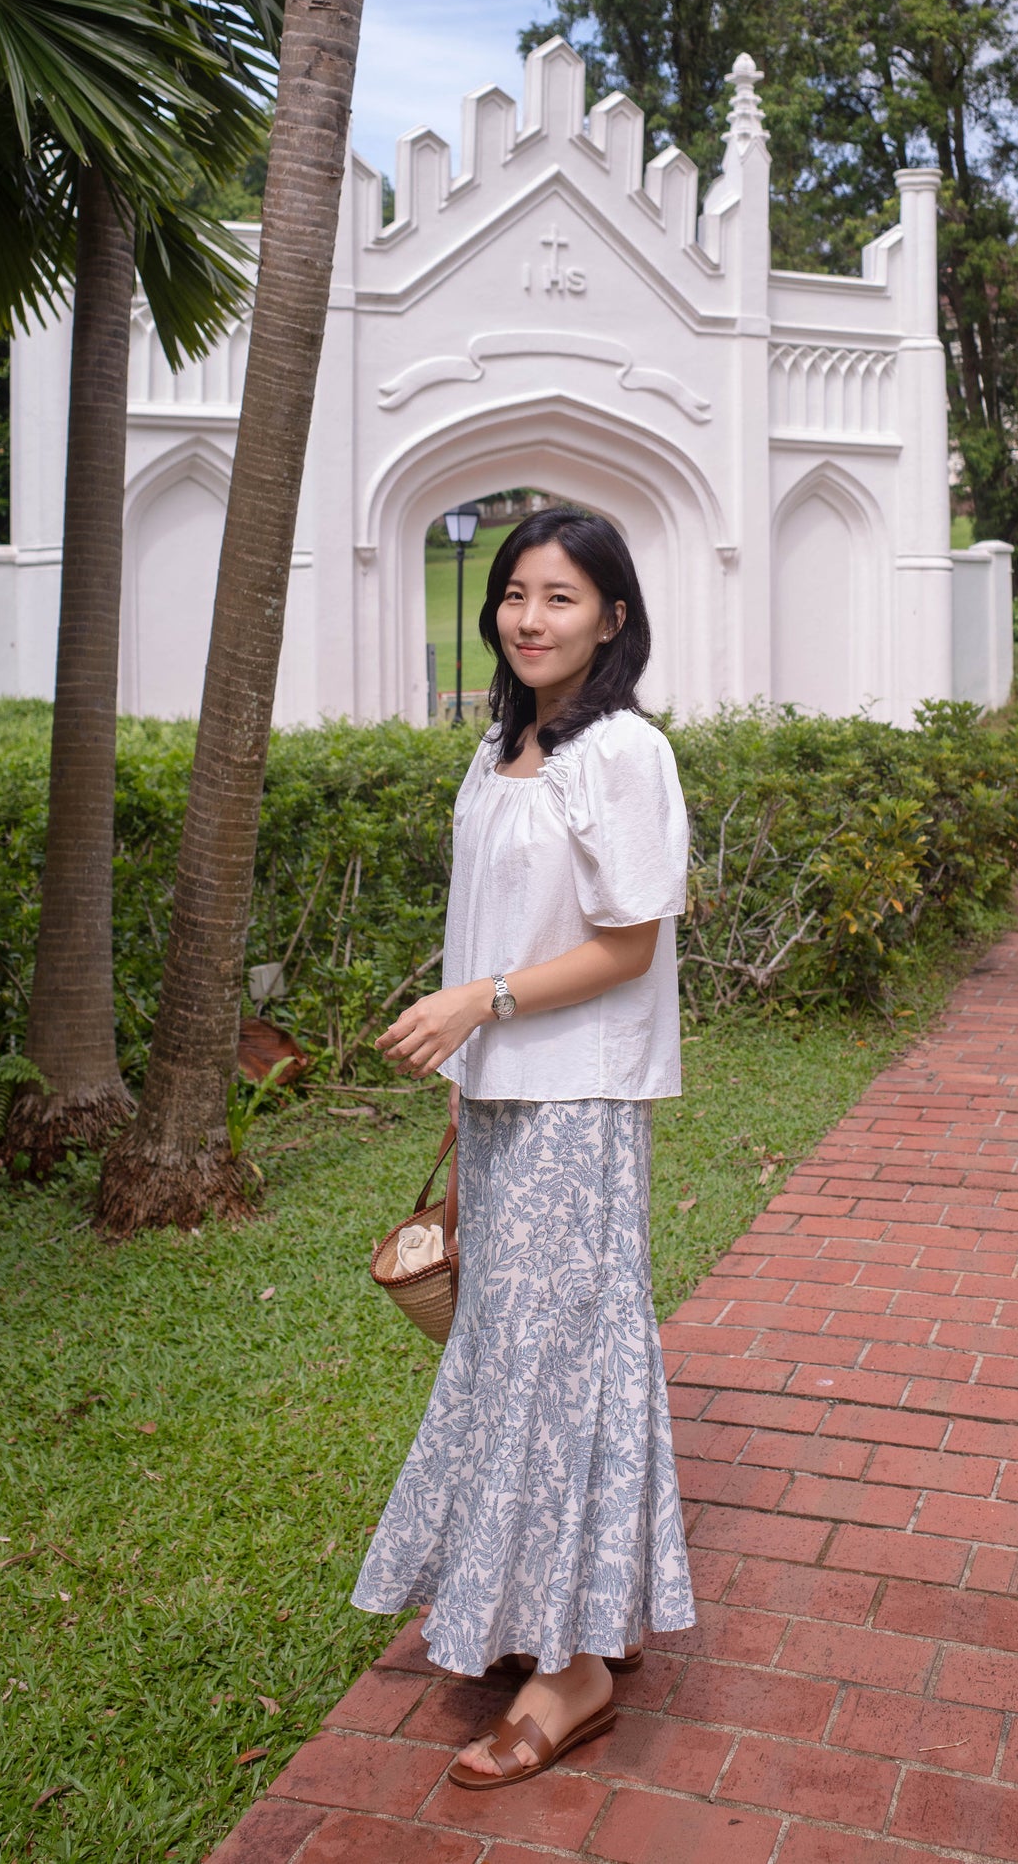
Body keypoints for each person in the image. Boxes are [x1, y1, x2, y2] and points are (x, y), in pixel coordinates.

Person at [351, 506, 696, 1791]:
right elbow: (488, 922)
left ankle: (576, 1669)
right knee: (514, 1354)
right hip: (500, 1099)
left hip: (577, 1104)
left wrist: (476, 1001)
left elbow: (627, 946)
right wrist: (464, 1060)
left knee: (564, 1361)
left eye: (560, 596)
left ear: (611, 616)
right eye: (513, 594)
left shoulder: (621, 752)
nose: (529, 616)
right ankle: (551, 1606)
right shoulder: (503, 745)